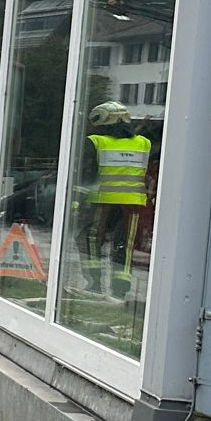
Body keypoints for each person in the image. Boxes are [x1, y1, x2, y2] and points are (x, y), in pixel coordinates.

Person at [82, 100, 152, 297]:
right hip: (134, 203)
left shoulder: (97, 141)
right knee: (126, 244)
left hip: (103, 200)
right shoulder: (143, 143)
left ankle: (94, 283)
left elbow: (87, 174)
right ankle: (121, 289)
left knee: (93, 238)